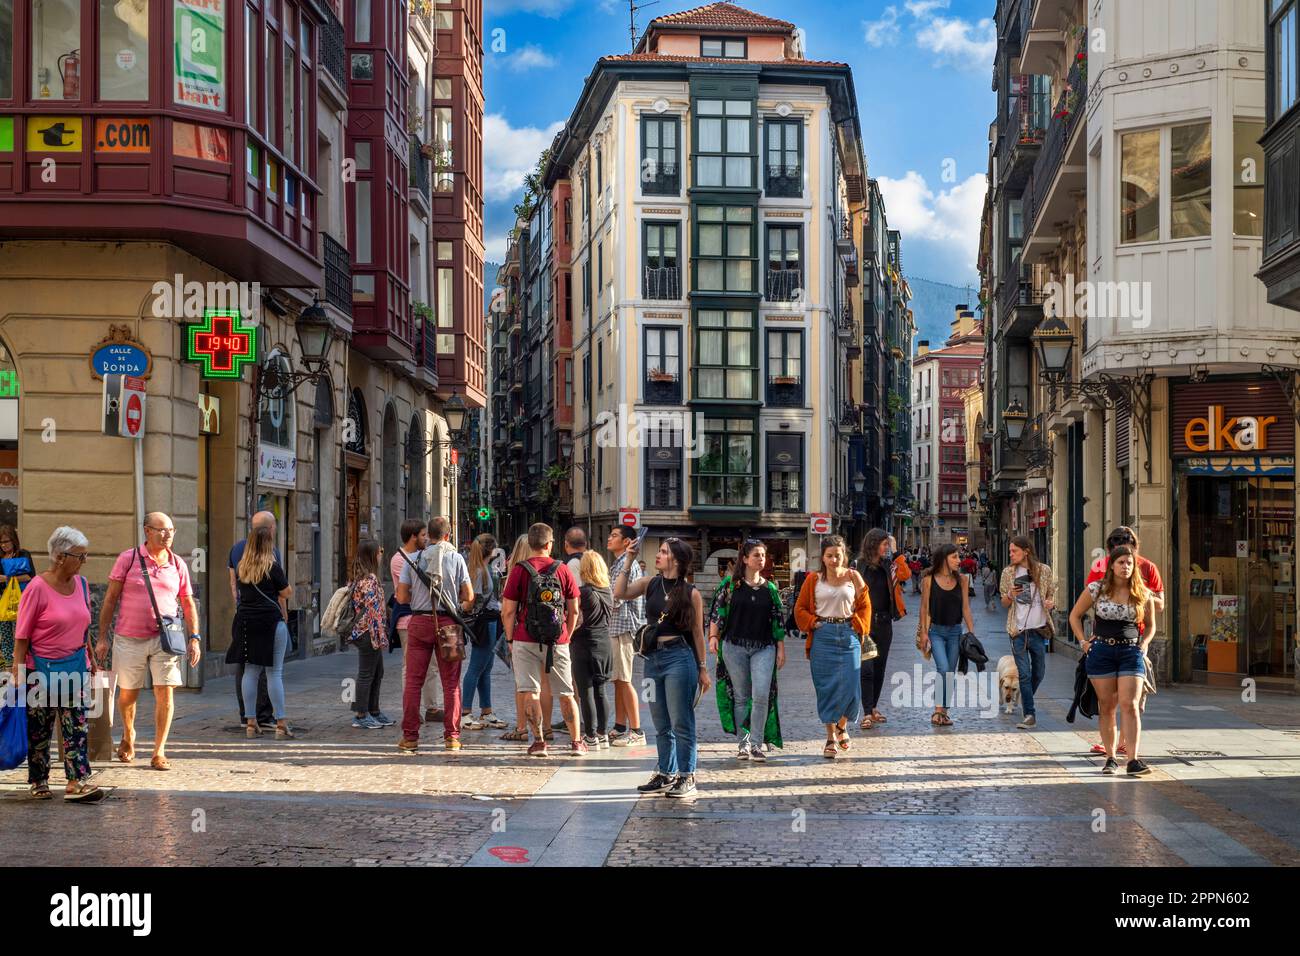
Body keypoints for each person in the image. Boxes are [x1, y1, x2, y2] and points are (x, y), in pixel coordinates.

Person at [96, 512, 200, 771]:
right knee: (127, 695)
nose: (168, 535)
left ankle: (159, 750)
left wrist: (195, 638)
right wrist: (102, 637)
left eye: (171, 530)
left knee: (165, 693)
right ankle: (129, 734)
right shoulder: (128, 559)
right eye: (162, 530)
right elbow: (110, 599)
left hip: (165, 640)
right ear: (147, 531)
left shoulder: (178, 565)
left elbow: (187, 603)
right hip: (129, 638)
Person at [11, 527, 104, 802]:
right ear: (61, 557)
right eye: (80, 556)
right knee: (40, 728)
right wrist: (18, 672)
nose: (84, 560)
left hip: (75, 665)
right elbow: (22, 635)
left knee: (77, 725)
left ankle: (76, 781)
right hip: (40, 669)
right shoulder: (37, 588)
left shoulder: (83, 585)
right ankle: (39, 779)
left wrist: (92, 658)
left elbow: (83, 625)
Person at [613, 537, 709, 798]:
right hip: (652, 661)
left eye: (664, 552)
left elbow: (698, 633)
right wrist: (628, 560)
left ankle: (687, 776)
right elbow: (619, 592)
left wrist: (702, 668)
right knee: (660, 722)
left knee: (681, 721)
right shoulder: (650, 583)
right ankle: (666, 773)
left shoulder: (692, 593)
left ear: (675, 560)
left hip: (679, 659)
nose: (658, 555)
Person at [1069, 544, 1155, 776]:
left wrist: (1144, 645)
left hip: (1130, 651)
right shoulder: (1097, 589)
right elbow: (1075, 616)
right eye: (1121, 562)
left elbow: (1151, 626)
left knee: (1131, 705)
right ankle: (1110, 757)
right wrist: (1083, 642)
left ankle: (1134, 759)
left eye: (1129, 563)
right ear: (1112, 565)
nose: (1125, 566)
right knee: (1107, 706)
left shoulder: (1142, 592)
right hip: (1101, 652)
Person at [501, 523, 583, 757]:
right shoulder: (563, 569)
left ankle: (539, 743)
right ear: (550, 544)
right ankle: (576, 743)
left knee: (530, 691)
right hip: (558, 640)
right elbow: (574, 609)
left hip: (525, 638)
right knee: (566, 692)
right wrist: (567, 634)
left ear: (530, 544)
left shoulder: (519, 570)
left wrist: (510, 638)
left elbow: (508, 610)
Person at [396, 517, 473, 753]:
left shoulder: (414, 558)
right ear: (448, 536)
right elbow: (468, 596)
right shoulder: (456, 558)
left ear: (428, 535)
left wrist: (418, 597)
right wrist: (455, 603)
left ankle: (410, 737)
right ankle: (452, 737)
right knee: (451, 684)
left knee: (413, 682)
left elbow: (401, 598)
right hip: (448, 623)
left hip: (419, 621)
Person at [1085, 527, 1164, 755]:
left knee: (1131, 701)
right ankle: (1112, 744)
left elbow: (1160, 603)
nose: (1123, 545)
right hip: (1106, 638)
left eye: (1128, 541)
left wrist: (1142, 594)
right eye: (1117, 542)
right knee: (1110, 701)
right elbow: (1091, 597)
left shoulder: (1147, 567)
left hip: (1135, 639)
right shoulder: (1100, 567)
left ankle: (1124, 744)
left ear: (1135, 544)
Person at [708, 539, 785, 761]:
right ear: (745, 559)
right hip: (734, 646)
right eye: (756, 555)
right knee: (741, 697)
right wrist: (713, 637)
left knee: (760, 695)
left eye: (763, 555)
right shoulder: (731, 585)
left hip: (764, 647)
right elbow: (717, 612)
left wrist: (780, 649)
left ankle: (757, 744)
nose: (761, 559)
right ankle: (743, 744)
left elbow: (777, 621)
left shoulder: (770, 589)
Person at [795, 535, 871, 759]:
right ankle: (830, 737)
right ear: (823, 557)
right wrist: (812, 623)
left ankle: (842, 725)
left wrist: (858, 625)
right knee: (826, 688)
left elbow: (866, 605)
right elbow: (799, 608)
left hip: (848, 634)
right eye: (829, 555)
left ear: (844, 555)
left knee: (851, 687)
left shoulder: (853, 576)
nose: (834, 559)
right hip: (823, 636)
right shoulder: (813, 580)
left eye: (838, 555)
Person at [232, 525, 297, 739]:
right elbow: (286, 592)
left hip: (246, 622)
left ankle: (250, 723)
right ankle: (280, 723)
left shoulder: (242, 567)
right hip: (270, 622)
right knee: (274, 672)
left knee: (250, 671)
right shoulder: (272, 566)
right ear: (269, 544)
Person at [999, 536, 1056, 730]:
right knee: (1024, 674)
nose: (1011, 554)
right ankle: (1029, 714)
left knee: (1038, 672)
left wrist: (1051, 603)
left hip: (1038, 630)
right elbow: (1004, 603)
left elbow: (1051, 596)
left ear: (1026, 551)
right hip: (1018, 631)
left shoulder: (1044, 571)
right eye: (1010, 551)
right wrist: (1010, 595)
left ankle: (1026, 696)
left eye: (1014, 551)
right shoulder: (1008, 573)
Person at [917, 544, 975, 728]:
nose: (959, 561)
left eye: (958, 557)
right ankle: (937, 709)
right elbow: (924, 608)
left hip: (955, 632)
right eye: (955, 557)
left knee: (949, 672)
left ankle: (945, 712)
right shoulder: (929, 580)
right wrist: (924, 633)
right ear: (944, 559)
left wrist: (971, 633)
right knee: (942, 668)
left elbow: (965, 607)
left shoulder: (963, 580)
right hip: (936, 632)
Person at [391, 520, 443, 723]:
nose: (426, 539)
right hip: (407, 618)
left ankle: (432, 707)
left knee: (431, 667)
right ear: (413, 537)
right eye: (423, 535)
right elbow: (409, 590)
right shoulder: (399, 559)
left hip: (424, 616)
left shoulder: (422, 556)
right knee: (410, 667)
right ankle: (410, 710)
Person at [228, 511, 276, 730]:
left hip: (243, 614)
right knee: (264, 665)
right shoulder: (271, 552)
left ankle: (246, 714)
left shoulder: (236, 549)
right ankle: (264, 714)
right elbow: (281, 590)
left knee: (244, 665)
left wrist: (239, 604)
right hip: (266, 617)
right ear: (269, 529)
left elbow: (233, 583)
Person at [544, 526, 588, 735]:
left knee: (572, 678)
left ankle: (576, 719)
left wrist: (569, 628)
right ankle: (582, 717)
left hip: (578, 627)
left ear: (565, 544)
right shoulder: (591, 560)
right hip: (593, 624)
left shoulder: (571, 565)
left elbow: (572, 599)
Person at [461, 533, 507, 730]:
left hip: (489, 620)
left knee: (485, 669)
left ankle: (486, 711)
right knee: (476, 668)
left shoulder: (483, 568)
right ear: (493, 550)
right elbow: (472, 600)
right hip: (486, 621)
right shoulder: (481, 571)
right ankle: (465, 713)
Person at [606, 527, 646, 747]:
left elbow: (616, 598)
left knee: (624, 679)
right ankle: (620, 726)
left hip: (623, 627)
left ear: (627, 541)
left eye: (614, 536)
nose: (610, 538)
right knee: (618, 680)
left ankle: (636, 730)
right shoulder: (620, 562)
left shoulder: (625, 564)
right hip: (618, 627)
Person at [572, 550, 615, 749]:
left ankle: (590, 736)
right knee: (601, 690)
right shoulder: (608, 591)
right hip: (604, 643)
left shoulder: (583, 592)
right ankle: (603, 734)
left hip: (583, 644)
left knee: (585, 691)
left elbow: (575, 617)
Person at [857, 529, 897, 730]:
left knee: (880, 668)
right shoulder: (859, 566)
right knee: (867, 669)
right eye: (884, 544)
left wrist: (896, 554)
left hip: (884, 623)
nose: (887, 547)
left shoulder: (888, 565)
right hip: (865, 624)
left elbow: (905, 574)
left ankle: (872, 707)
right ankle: (865, 712)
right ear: (873, 544)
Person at [347, 538, 390, 729]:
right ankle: (361, 714)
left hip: (367, 631)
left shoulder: (362, 578)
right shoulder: (369, 580)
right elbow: (373, 613)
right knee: (366, 673)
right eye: (380, 551)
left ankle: (373, 710)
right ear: (373, 555)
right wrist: (378, 636)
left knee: (377, 671)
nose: (382, 554)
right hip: (367, 632)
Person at [0, 524, 36, 672]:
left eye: (6, 541)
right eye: (0, 542)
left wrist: (7, 578)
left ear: (13, 540)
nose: (3, 545)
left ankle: (21, 662)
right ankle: (9, 665)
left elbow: (30, 576)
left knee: (20, 632)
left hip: (20, 599)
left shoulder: (23, 554)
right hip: (3, 599)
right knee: (5, 631)